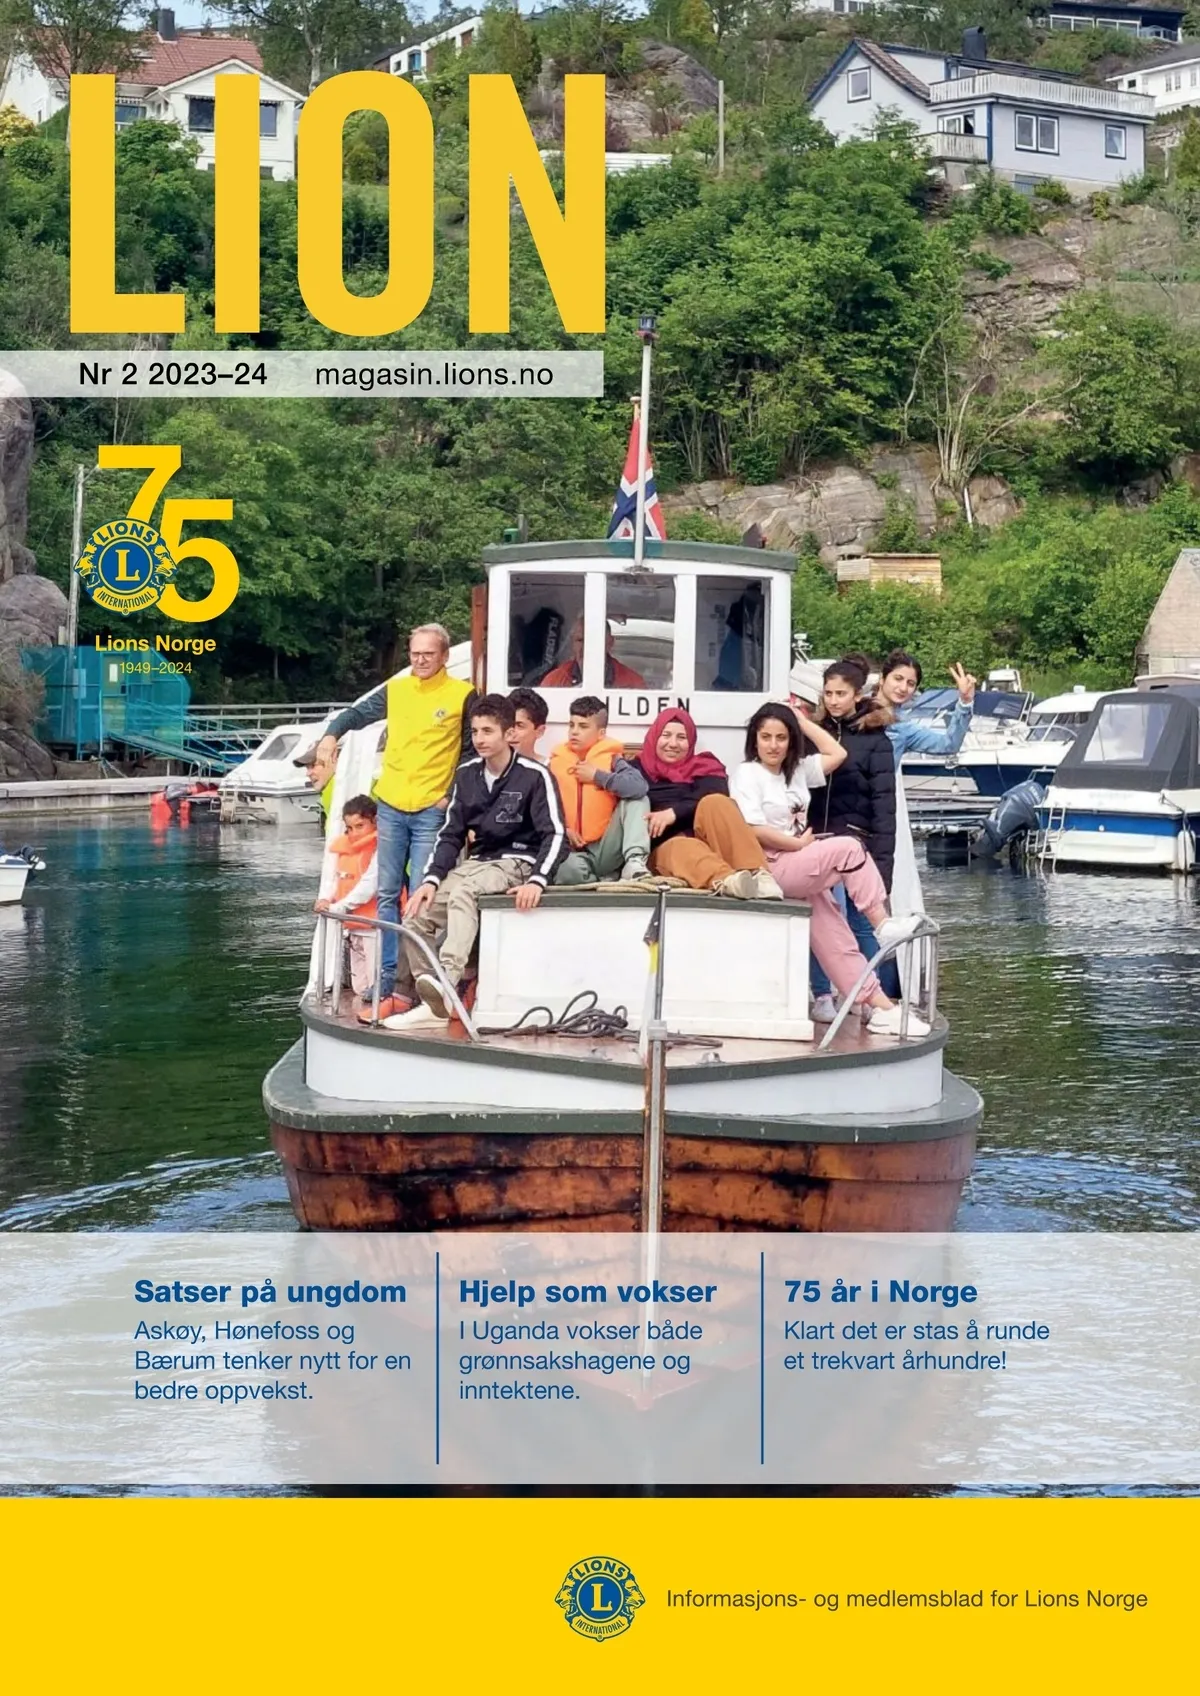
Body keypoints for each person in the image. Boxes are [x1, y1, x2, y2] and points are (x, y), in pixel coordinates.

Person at [310, 624, 475, 1024]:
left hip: (431, 808)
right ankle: (388, 977)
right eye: (415, 653)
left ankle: (420, 981)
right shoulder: (397, 689)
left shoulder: (463, 695)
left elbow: (471, 751)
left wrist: (450, 794)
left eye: (428, 654)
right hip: (391, 804)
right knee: (387, 894)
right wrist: (330, 736)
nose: (420, 660)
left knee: (421, 896)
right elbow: (358, 713)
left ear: (445, 656)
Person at [730, 705, 926, 1036]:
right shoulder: (747, 773)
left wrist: (802, 722)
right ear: (755, 740)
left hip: (799, 862)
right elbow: (753, 829)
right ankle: (882, 924)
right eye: (766, 737)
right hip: (772, 864)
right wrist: (797, 844)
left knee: (837, 940)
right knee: (849, 847)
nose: (774, 745)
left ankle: (882, 1009)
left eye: (782, 737)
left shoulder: (797, 770)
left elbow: (838, 753)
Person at [389, 694, 567, 1026]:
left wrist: (537, 880)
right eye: (474, 732)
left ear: (508, 733)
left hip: (518, 861)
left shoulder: (535, 775)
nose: (479, 739)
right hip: (478, 861)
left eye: (487, 731)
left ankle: (447, 985)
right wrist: (430, 880)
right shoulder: (466, 774)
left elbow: (555, 834)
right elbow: (450, 833)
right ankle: (435, 1004)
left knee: (464, 894)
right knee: (416, 913)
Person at [877, 651, 978, 998]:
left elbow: (949, 743)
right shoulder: (855, 712)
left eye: (911, 683)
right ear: (883, 678)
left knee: (881, 895)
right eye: (898, 679)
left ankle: (881, 982)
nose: (903, 687)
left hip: (881, 817)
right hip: (847, 813)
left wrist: (964, 703)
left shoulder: (902, 729)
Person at [808, 658, 899, 1018]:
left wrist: (884, 869)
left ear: (857, 695)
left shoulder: (876, 741)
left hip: (858, 842)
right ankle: (822, 995)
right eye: (828, 693)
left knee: (862, 924)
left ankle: (868, 999)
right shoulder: (814, 733)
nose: (833, 700)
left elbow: (884, 807)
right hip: (819, 840)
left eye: (840, 694)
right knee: (822, 921)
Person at [630, 707, 781, 899]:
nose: (673, 744)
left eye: (681, 737)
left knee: (715, 801)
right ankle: (730, 882)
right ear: (654, 737)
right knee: (682, 847)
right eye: (666, 735)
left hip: (707, 839)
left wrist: (673, 813)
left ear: (691, 741)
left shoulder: (703, 766)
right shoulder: (634, 770)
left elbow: (715, 790)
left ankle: (758, 874)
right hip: (664, 848)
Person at [551, 696, 651, 884]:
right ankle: (604, 880)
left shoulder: (612, 760)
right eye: (571, 725)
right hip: (572, 850)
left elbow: (639, 786)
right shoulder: (554, 764)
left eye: (583, 726)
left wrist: (597, 776)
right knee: (566, 871)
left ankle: (634, 863)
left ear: (601, 733)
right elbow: (539, 806)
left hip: (606, 847)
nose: (574, 731)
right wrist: (564, 830)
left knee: (638, 799)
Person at [314, 795, 380, 998]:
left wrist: (340, 907)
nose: (354, 833)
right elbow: (338, 881)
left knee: (376, 983)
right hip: (353, 927)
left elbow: (369, 885)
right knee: (360, 986)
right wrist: (328, 899)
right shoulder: (345, 851)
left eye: (360, 826)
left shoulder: (380, 848)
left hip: (375, 927)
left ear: (375, 821)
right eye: (350, 828)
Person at [542, 618, 645, 689]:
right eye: (580, 640)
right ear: (572, 644)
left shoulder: (633, 683)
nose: (586, 647)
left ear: (610, 643)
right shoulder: (554, 681)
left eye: (593, 640)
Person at [294, 741, 337, 826]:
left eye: (314, 765)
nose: (308, 773)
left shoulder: (340, 790)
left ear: (334, 759)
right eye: (307, 768)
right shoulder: (328, 791)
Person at [507, 687, 549, 760]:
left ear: (540, 731)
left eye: (519, 726)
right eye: (507, 724)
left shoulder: (551, 766)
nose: (511, 732)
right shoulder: (487, 764)